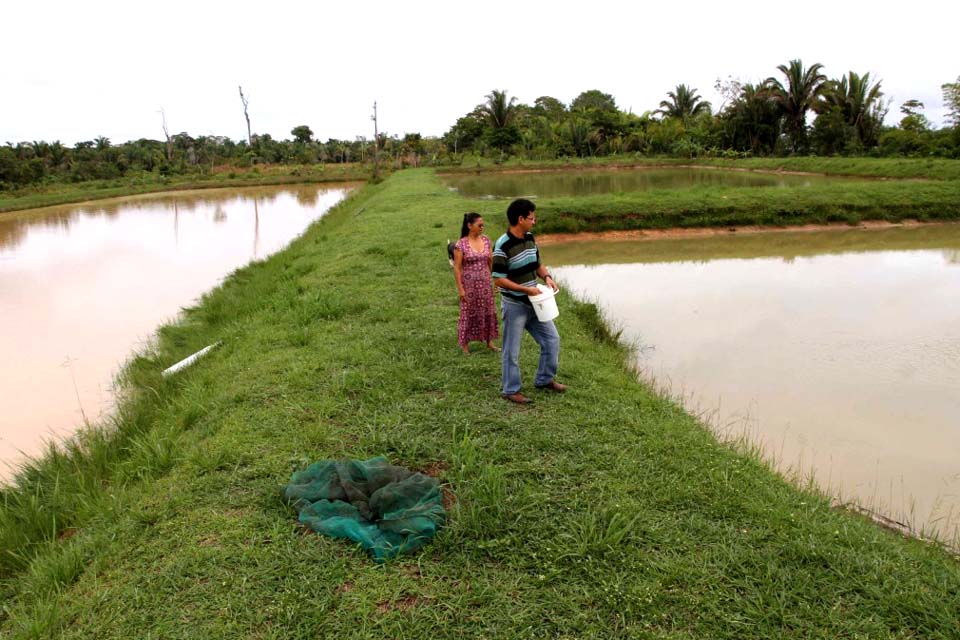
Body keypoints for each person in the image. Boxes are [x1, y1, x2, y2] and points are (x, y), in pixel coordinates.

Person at [492, 199, 566, 404]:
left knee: (552, 339)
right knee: (511, 350)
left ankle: (544, 379)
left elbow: (537, 264)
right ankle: (510, 390)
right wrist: (525, 289)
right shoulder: (502, 245)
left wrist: (547, 277)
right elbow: (499, 279)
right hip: (515, 305)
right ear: (520, 219)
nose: (534, 222)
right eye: (531, 218)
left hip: (536, 303)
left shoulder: (530, 238)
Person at [452, 212, 500, 354]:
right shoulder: (461, 244)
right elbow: (457, 267)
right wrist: (460, 289)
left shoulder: (486, 241)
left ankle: (489, 342)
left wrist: (496, 280)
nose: (482, 227)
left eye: (483, 225)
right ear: (469, 225)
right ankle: (465, 346)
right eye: (479, 225)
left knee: (488, 311)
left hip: (485, 285)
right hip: (469, 286)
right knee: (467, 313)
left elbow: (491, 261)